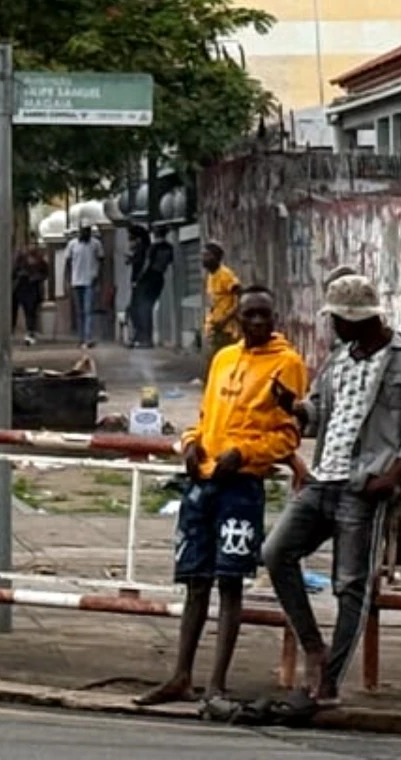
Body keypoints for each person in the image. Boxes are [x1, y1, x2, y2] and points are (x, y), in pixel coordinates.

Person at [264, 271, 401, 706]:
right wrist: (294, 407)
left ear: (358, 320)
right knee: (276, 552)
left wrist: (391, 478)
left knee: (350, 586)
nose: (333, 327)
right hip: (323, 478)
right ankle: (313, 647)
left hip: (364, 485)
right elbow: (319, 412)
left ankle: (330, 679)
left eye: (338, 319)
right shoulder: (339, 359)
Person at [137, 286, 307, 706]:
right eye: (248, 316)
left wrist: (245, 453)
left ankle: (216, 682)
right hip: (204, 481)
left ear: (274, 318)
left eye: (263, 316)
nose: (255, 323)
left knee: (230, 582)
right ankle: (181, 675)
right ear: (237, 320)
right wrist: (191, 443)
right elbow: (204, 416)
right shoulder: (223, 359)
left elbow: (288, 435)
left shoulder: (287, 364)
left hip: (241, 485)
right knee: (195, 579)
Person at [66, 224, 103, 348]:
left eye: (87, 231)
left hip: (90, 281)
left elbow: (101, 260)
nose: (85, 233)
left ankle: (88, 338)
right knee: (79, 312)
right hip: (76, 281)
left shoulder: (96, 244)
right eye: (83, 231)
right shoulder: (72, 244)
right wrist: (67, 281)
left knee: (88, 311)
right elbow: (68, 263)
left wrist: (98, 277)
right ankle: (81, 338)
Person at [201, 242, 241, 351]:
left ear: (216, 257)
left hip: (227, 329)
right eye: (203, 255)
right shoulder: (211, 276)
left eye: (207, 255)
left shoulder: (225, 274)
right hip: (216, 327)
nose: (204, 259)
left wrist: (226, 318)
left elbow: (240, 297)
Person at [12, 243, 49, 346]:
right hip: (23, 289)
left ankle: (31, 332)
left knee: (31, 312)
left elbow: (45, 273)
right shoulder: (22, 260)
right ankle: (29, 332)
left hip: (34, 289)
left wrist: (35, 278)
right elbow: (14, 272)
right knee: (27, 311)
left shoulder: (40, 260)